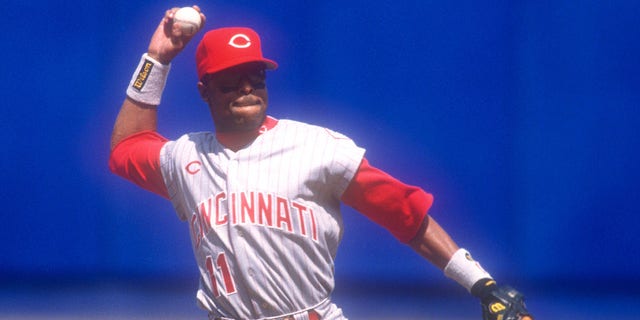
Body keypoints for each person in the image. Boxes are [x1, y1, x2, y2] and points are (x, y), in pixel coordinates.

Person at [109, 6, 533, 320]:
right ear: (205, 90)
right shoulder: (186, 157)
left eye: (255, 76)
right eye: (229, 80)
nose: (246, 88)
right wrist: (156, 60)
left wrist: (482, 284)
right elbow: (126, 147)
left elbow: (404, 212)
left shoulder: (318, 148)